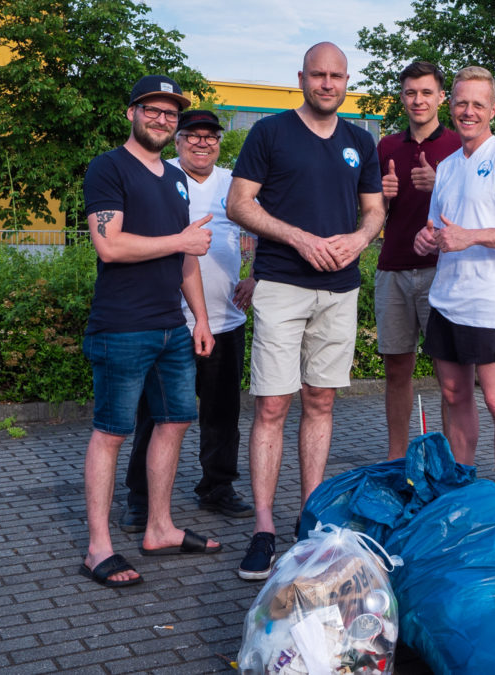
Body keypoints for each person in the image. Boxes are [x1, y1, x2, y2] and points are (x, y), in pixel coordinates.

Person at [226, 42, 385, 580]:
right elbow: (239, 203)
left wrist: (360, 239)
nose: (326, 83)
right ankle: (264, 529)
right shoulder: (269, 133)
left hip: (340, 289)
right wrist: (297, 237)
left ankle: (310, 520)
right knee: (272, 406)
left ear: (346, 82)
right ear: (301, 78)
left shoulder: (360, 140)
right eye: (318, 74)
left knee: (320, 401)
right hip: (281, 285)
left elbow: (374, 210)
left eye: (336, 75)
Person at [78, 75, 222, 588]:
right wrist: (179, 239)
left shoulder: (176, 178)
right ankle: (98, 548)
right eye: (152, 110)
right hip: (121, 327)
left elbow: (186, 256)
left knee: (175, 421)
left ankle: (159, 527)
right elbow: (110, 246)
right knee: (112, 432)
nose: (162, 119)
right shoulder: (108, 167)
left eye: (170, 113)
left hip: (171, 328)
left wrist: (201, 320)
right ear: (131, 113)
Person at [118, 109, 255, 535]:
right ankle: (140, 501)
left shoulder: (234, 183)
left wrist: (257, 275)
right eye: (192, 136)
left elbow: (266, 230)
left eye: (210, 137)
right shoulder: (161, 176)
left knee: (222, 415)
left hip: (224, 322)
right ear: (177, 141)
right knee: (154, 417)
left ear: (219, 143)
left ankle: (217, 487)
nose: (202, 143)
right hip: (167, 323)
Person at [412, 66, 495, 502]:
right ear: (451, 106)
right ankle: (462, 488)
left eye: (478, 105)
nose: (468, 112)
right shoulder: (447, 166)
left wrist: (472, 236)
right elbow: (438, 232)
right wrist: (426, 238)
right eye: (462, 103)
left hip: (489, 303)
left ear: (494, 109)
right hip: (446, 299)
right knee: (453, 394)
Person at [375, 61, 461, 460]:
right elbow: (372, 211)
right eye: (410, 92)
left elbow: (475, 216)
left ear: (441, 97)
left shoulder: (461, 146)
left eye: (426, 92)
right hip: (393, 267)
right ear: (402, 98)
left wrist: (439, 183)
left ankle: (448, 463)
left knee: (451, 378)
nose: (418, 100)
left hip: (441, 271)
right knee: (396, 370)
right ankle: (396, 459)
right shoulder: (387, 147)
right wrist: (384, 195)